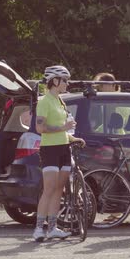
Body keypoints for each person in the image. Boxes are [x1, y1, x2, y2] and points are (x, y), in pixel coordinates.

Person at [32, 65, 86, 242]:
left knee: (59, 190)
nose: (67, 83)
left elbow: (64, 131)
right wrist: (63, 128)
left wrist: (72, 139)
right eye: (64, 80)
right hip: (50, 150)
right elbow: (40, 128)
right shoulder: (44, 101)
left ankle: (53, 227)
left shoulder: (60, 101)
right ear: (55, 81)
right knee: (48, 190)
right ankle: (39, 228)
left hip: (64, 147)